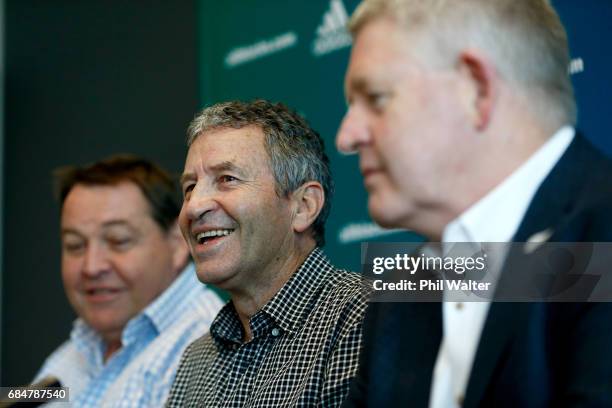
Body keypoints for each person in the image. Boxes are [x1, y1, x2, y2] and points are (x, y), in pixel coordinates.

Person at [336, 0, 612, 406]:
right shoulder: (405, 288)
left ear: (477, 90)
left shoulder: (602, 232)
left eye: (376, 98)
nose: (346, 136)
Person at [166, 100, 368, 407]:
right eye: (190, 187)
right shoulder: (195, 362)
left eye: (227, 179)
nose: (193, 206)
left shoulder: (362, 320)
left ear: (303, 207)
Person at [35, 155, 223, 407]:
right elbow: (17, 397)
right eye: (75, 245)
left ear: (178, 244)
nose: (92, 267)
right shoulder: (76, 351)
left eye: (118, 241)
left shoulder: (211, 348)